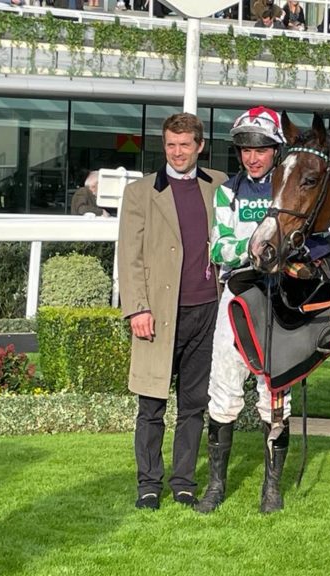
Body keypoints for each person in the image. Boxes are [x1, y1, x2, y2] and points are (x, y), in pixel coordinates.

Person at [117, 112, 227, 511]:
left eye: (184, 145)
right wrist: (137, 309)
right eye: (170, 145)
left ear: (200, 146)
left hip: (208, 310)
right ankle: (148, 484)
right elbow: (129, 255)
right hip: (159, 313)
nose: (177, 152)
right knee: (151, 405)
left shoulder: (220, 185)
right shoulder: (140, 192)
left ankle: (183, 483)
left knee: (194, 404)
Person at [195, 106, 290, 515]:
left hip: (279, 297)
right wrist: (258, 246)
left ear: (276, 150)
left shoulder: (288, 189)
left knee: (275, 393)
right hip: (236, 293)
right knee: (223, 387)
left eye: (261, 149)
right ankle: (216, 486)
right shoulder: (227, 192)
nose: (253, 157)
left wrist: (252, 245)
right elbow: (219, 247)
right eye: (246, 149)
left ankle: (272, 488)